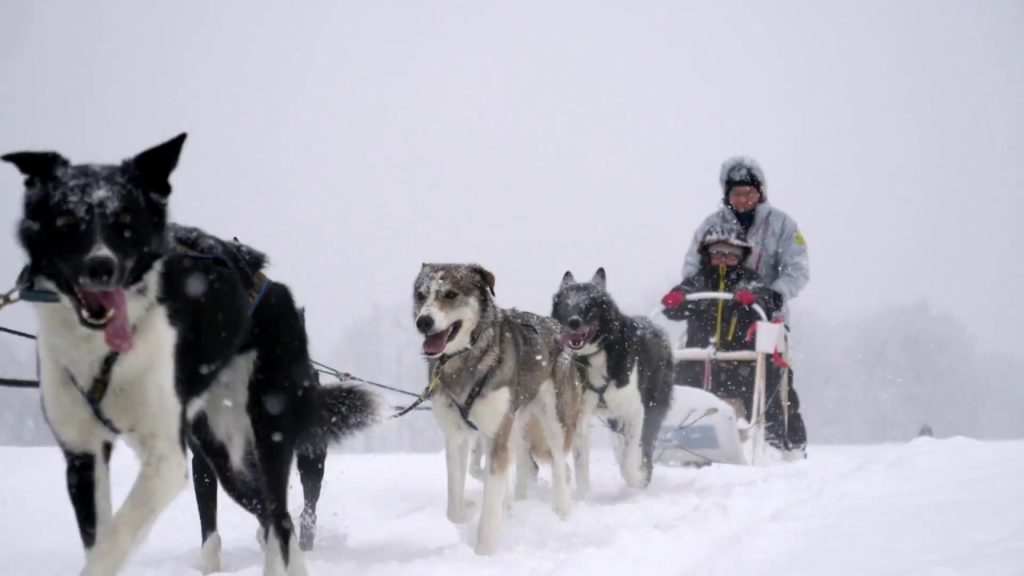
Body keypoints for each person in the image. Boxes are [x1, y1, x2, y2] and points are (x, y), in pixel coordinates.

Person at [663, 224, 807, 459]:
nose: (723, 259)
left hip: (743, 359)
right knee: (674, 383)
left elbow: (765, 302)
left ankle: (773, 442)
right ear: (707, 255)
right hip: (701, 359)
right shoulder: (698, 282)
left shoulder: (749, 280)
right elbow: (674, 307)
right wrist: (675, 300)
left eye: (731, 255)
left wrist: (754, 300)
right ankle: (669, 435)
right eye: (718, 254)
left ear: (741, 258)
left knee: (767, 378)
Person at [682, 156, 809, 320]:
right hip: (714, 316)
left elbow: (797, 268)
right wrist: (689, 292)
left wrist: (775, 294)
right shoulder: (711, 225)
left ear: (761, 193)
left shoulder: (782, 224)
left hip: (766, 316)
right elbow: (693, 264)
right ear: (727, 195)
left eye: (749, 193)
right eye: (736, 193)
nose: (743, 199)